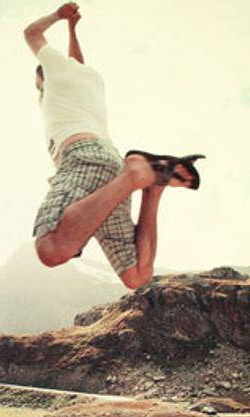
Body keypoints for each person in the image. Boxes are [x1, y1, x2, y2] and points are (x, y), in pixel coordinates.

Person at [24, 2, 204, 289]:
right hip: (109, 165)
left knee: (51, 249)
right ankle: (153, 186)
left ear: (42, 75)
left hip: (82, 158)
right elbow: (78, 62)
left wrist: (59, 16)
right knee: (136, 276)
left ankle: (136, 175)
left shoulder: (53, 74)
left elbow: (31, 33)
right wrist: (72, 29)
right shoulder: (90, 79)